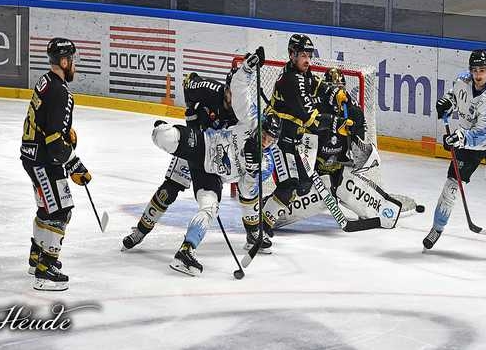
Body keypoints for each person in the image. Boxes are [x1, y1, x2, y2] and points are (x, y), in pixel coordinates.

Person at [149, 48, 281, 276]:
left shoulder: (266, 163)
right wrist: (248, 67)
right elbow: (239, 88)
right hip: (204, 145)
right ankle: (161, 128)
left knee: (209, 207)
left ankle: (186, 251)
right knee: (164, 136)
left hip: (212, 175)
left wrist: (251, 169)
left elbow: (247, 194)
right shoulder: (250, 119)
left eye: (271, 140)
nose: (266, 141)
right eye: (266, 135)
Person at [270, 67, 404, 229]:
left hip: (339, 169)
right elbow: (303, 144)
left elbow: (360, 151)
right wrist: (308, 174)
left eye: (341, 87)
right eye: (334, 88)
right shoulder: (313, 111)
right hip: (315, 172)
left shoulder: (354, 112)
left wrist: (358, 149)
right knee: (306, 191)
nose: (337, 91)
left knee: (349, 187)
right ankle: (270, 214)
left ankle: (381, 209)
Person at [121, 71, 238, 251]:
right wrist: (192, 110)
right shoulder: (211, 89)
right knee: (167, 191)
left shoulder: (243, 112)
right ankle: (140, 231)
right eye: (232, 91)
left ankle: (253, 231)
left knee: (209, 200)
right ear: (227, 88)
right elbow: (189, 80)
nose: (235, 97)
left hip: (213, 157)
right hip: (193, 144)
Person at [422, 49, 486, 261]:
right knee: (451, 187)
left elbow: (481, 133)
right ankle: (437, 229)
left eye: (482, 70)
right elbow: (455, 98)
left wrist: (458, 138)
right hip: (466, 138)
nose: (478, 75)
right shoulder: (461, 81)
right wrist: (447, 103)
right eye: (474, 70)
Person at [259, 34, 355, 233]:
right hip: (274, 140)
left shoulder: (301, 73)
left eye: (309, 55)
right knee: (289, 185)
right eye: (303, 55)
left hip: (291, 140)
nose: (307, 60)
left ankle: (265, 211)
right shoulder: (291, 81)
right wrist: (337, 122)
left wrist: (335, 93)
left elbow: (316, 85)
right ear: (291, 54)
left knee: (302, 185)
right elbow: (313, 121)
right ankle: (260, 227)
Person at [20, 38, 92, 291]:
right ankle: (45, 270)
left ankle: (36, 257)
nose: (74, 65)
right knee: (61, 211)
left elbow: (48, 124)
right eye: (72, 60)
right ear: (63, 61)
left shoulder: (46, 81)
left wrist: (64, 135)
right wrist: (75, 164)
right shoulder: (62, 92)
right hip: (44, 160)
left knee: (46, 208)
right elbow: (54, 144)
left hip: (31, 155)